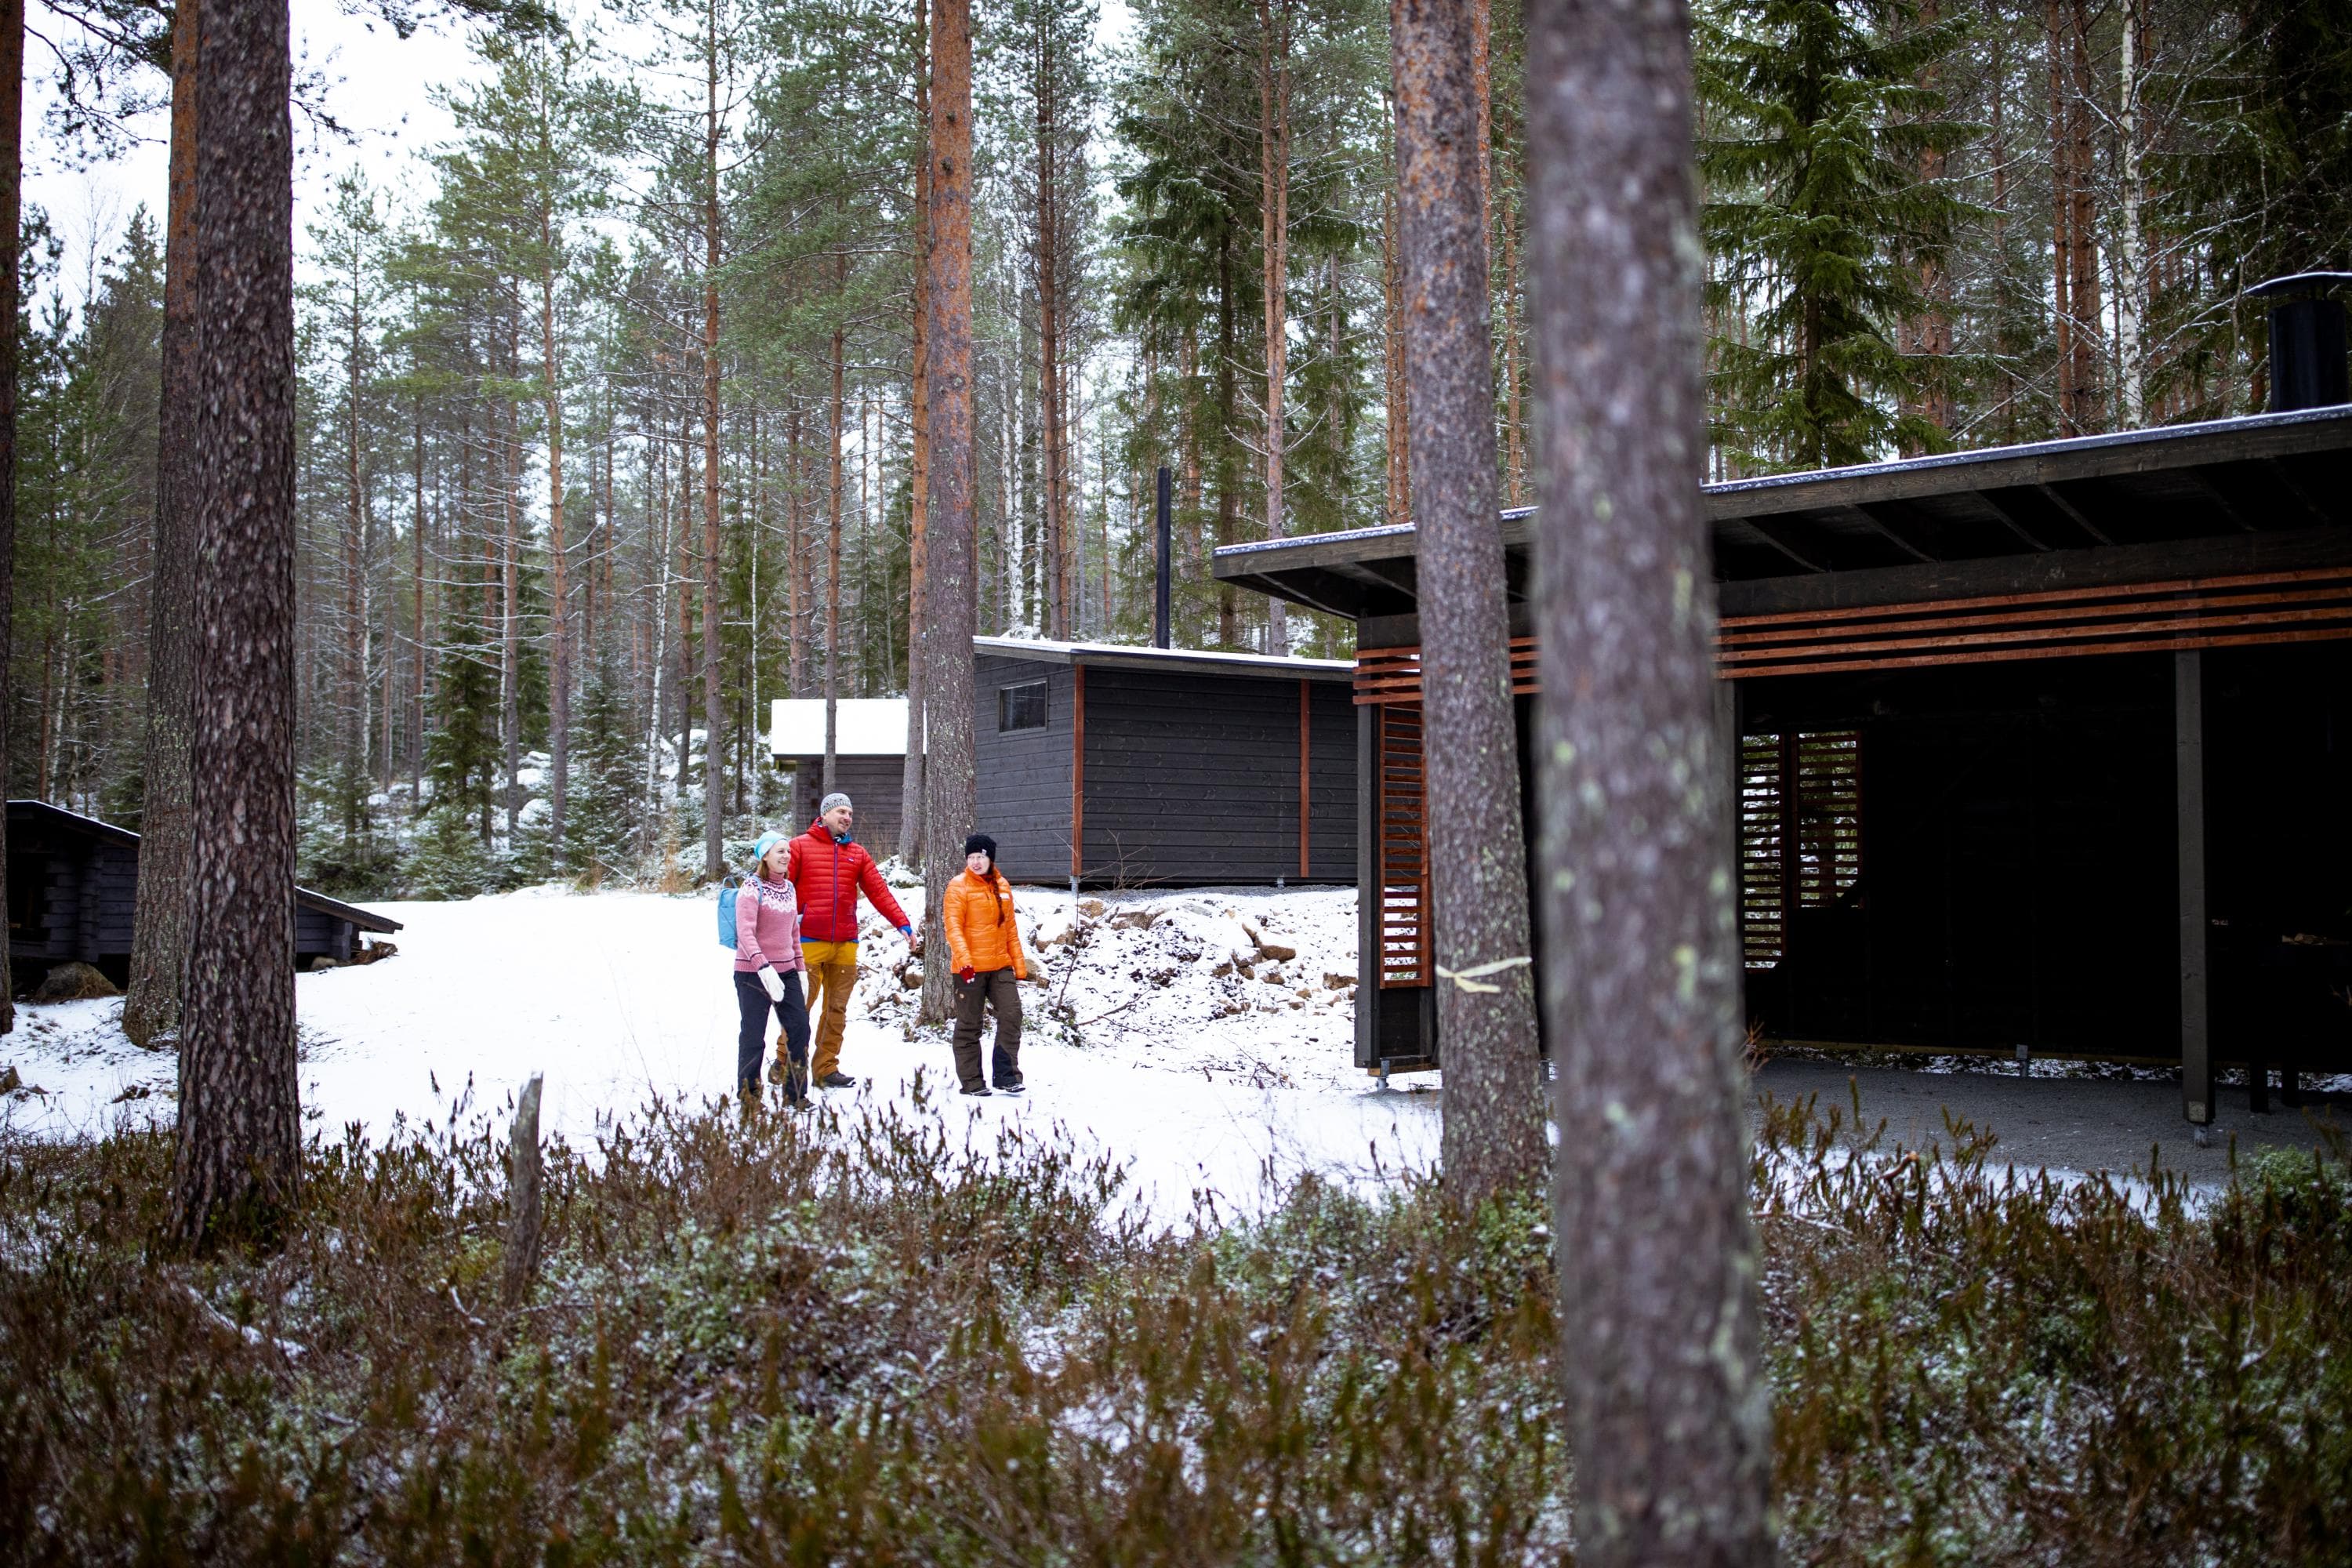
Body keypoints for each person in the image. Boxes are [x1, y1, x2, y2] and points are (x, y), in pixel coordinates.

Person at [786, 792, 915, 1089]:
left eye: (850, 814)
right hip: (806, 942)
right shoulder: (799, 847)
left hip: (845, 944)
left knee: (836, 1010)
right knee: (799, 1006)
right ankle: (785, 1061)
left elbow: (879, 892)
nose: (847, 818)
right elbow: (780, 889)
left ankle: (825, 1068)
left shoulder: (857, 853)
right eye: (841, 812)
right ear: (826, 814)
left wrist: (902, 924)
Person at [943, 833, 1028, 1097]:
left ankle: (1006, 1076)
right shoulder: (958, 886)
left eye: (980, 857)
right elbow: (953, 927)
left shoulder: (1002, 886)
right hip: (969, 967)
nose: (975, 862)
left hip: (1000, 964)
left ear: (990, 858)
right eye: (971, 857)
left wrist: (1019, 965)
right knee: (969, 1023)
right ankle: (971, 1082)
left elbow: (1010, 929)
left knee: (1012, 1013)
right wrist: (965, 960)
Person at [734, 830, 812, 1108]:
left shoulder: (789, 889)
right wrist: (762, 966)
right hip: (753, 973)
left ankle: (796, 1095)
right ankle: (749, 1096)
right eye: (780, 851)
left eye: (788, 852)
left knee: (800, 1028)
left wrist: (800, 970)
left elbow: (793, 934)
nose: (786, 856)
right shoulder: (752, 887)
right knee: (754, 1035)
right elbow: (745, 932)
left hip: (787, 971)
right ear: (764, 856)